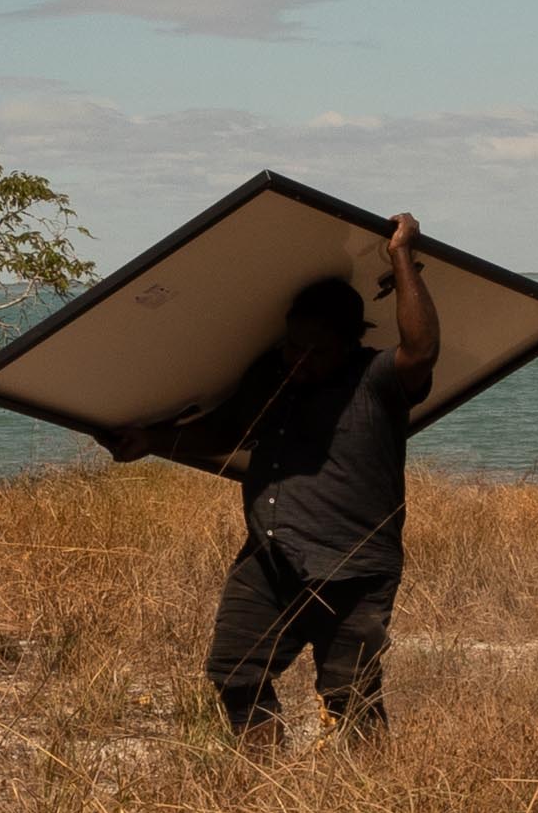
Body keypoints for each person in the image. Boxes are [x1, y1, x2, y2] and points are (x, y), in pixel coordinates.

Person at [93, 214, 440, 751]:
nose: (297, 360)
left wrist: (400, 256)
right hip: (269, 559)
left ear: (350, 344)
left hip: (351, 568)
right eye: (291, 346)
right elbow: (228, 429)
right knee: (235, 675)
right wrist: (152, 441)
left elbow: (420, 350)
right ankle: (263, 789)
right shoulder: (271, 377)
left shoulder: (377, 382)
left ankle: (374, 796)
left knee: (351, 695)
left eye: (313, 352)